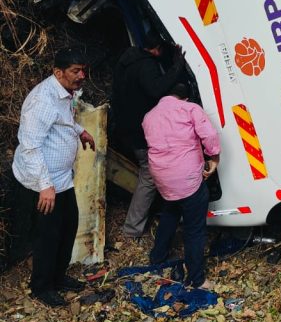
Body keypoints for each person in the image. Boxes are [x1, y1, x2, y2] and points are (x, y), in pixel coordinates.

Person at [12, 48, 96, 307]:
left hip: (62, 178)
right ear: (57, 72)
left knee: (68, 226)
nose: (81, 75)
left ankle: (58, 277)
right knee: (47, 236)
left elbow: (64, 119)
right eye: (75, 71)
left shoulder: (67, 93)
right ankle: (41, 287)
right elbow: (29, 146)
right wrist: (45, 185)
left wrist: (80, 131)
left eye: (83, 70)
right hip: (42, 181)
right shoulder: (42, 101)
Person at [142, 81, 220, 290]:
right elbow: (210, 136)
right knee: (194, 229)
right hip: (186, 177)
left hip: (162, 177)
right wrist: (214, 157)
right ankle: (197, 279)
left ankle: (157, 257)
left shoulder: (149, 116)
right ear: (185, 98)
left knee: (170, 212)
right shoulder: (190, 108)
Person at [111, 31, 186, 239]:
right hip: (141, 132)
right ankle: (132, 228)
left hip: (126, 128)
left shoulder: (126, 60)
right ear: (156, 49)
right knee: (151, 175)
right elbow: (156, 89)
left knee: (153, 171)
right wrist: (177, 66)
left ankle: (168, 211)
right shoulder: (146, 65)